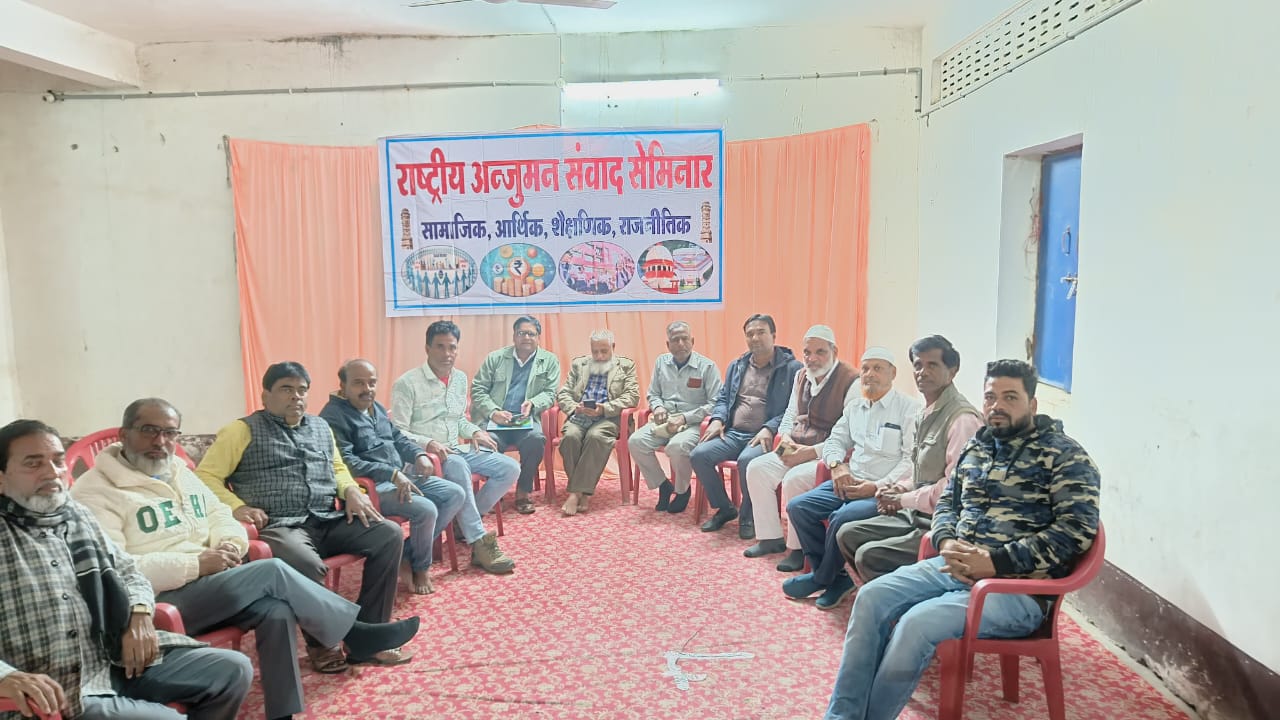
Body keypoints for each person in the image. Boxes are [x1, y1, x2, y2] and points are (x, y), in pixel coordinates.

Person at [71, 400, 420, 719]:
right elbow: (115, 572)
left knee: (276, 609)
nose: (160, 441)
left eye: (170, 432)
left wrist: (229, 545)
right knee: (270, 572)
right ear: (124, 434)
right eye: (149, 430)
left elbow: (221, 516)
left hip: (212, 585)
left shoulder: (178, 471)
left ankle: (282, 713)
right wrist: (197, 565)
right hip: (155, 605)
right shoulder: (95, 491)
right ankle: (355, 634)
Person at [823, 359, 1101, 720]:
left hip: (1016, 591)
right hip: (951, 565)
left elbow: (1075, 532)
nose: (997, 406)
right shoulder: (978, 448)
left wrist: (996, 562)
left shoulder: (1065, 457)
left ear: (1032, 405)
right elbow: (948, 505)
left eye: (1010, 397)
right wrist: (946, 541)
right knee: (871, 598)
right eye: (990, 397)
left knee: (916, 624)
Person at [0, 419, 252, 720]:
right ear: (1, 478)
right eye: (33, 463)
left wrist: (139, 614)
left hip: (114, 656)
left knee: (232, 670)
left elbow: (129, 571)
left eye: (57, 461)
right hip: (58, 689)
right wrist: (6, 677)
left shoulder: (75, 515)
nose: (52, 472)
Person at [196, 361, 411, 669]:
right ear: (266, 395)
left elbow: (337, 468)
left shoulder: (321, 427)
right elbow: (204, 477)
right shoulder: (240, 430)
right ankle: (322, 645)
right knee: (307, 563)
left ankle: (368, 635)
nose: (295, 396)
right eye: (286, 389)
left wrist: (351, 490)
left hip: (326, 518)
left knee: (388, 534)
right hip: (279, 526)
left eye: (301, 390)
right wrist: (236, 507)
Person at [782, 347, 921, 610]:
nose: (869, 375)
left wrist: (876, 486)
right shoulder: (855, 407)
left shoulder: (909, 409)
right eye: (865, 368)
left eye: (877, 368)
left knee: (841, 518)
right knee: (798, 507)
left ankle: (821, 577)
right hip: (849, 481)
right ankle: (838, 579)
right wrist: (837, 466)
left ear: (893, 373)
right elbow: (835, 441)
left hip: (883, 490)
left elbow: (910, 462)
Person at [835, 336, 982, 583]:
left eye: (932, 365)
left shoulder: (962, 420)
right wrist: (899, 488)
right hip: (917, 510)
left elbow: (954, 489)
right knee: (847, 534)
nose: (923, 372)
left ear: (952, 371)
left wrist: (902, 499)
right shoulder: (926, 412)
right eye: (918, 365)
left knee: (869, 555)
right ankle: (881, 593)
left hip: (943, 523)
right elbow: (921, 469)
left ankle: (894, 599)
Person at [320, 359, 472, 591]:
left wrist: (419, 454)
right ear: (343, 386)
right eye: (359, 383)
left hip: (400, 477)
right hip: (370, 489)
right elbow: (347, 463)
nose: (367, 389)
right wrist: (391, 474)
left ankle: (405, 554)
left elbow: (398, 438)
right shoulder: (333, 417)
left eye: (372, 383)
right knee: (426, 509)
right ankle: (421, 567)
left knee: (455, 494)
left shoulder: (376, 407)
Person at [389, 323, 518, 574]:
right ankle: (478, 541)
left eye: (452, 348)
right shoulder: (407, 383)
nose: (447, 354)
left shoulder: (459, 378)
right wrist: (428, 443)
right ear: (427, 348)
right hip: (423, 458)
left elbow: (457, 419)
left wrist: (475, 432)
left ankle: (463, 519)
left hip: (455, 449)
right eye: (440, 347)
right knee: (458, 464)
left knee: (510, 468)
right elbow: (398, 431)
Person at [742, 325, 859, 567]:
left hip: (828, 455)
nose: (812, 358)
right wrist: (785, 437)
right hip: (797, 446)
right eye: (807, 352)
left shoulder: (851, 381)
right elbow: (790, 413)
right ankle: (770, 538)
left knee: (793, 479)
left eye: (820, 352)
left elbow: (850, 436)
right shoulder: (801, 375)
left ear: (834, 351)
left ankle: (799, 549)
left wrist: (811, 452)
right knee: (757, 468)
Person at [689, 314, 802, 535]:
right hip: (733, 433)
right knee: (698, 455)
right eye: (750, 334)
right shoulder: (737, 365)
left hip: (765, 436)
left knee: (747, 461)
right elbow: (723, 398)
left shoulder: (792, 368)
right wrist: (718, 419)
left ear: (773, 335)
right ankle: (725, 508)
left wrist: (770, 428)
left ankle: (749, 516)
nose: (755, 338)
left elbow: (795, 407)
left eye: (761, 332)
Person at [627, 321, 722, 512]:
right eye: (675, 340)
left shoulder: (707, 367)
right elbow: (653, 394)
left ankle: (682, 490)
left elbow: (716, 403)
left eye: (684, 339)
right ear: (667, 344)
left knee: (676, 447)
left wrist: (685, 418)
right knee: (635, 441)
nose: (680, 344)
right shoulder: (661, 362)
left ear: (692, 341)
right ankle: (663, 485)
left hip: (694, 423)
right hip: (665, 420)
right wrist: (658, 407)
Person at [471, 316, 562, 514]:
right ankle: (495, 493)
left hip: (525, 420)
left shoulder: (549, 360)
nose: (526, 337)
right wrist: (493, 412)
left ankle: (523, 491)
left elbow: (550, 393)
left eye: (531, 334)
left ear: (538, 337)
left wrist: (533, 403)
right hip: (495, 420)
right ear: (514, 336)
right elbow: (478, 389)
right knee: (486, 441)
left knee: (536, 439)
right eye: (521, 333)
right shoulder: (495, 358)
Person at [555, 329, 639, 515]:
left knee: (595, 437)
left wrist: (604, 408)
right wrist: (574, 407)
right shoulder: (579, 364)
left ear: (613, 347)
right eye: (595, 352)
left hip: (608, 418)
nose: (599, 356)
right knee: (570, 437)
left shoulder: (626, 366)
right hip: (580, 416)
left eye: (604, 351)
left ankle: (575, 494)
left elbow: (632, 397)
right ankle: (583, 492)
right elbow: (563, 393)